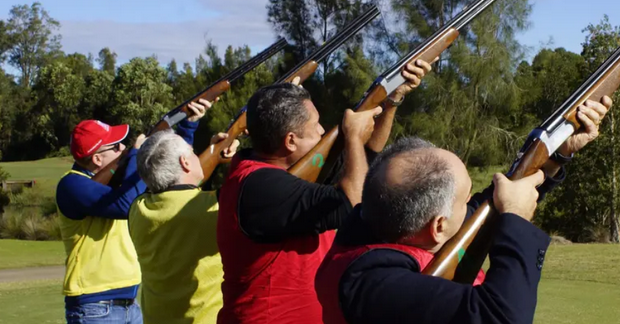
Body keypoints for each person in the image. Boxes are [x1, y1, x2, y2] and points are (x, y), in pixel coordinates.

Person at [315, 97, 613, 324]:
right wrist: (516, 218)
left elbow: (486, 207)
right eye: (465, 198)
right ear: (438, 227)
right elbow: (501, 317)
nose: (474, 201)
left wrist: (555, 155)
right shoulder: (371, 285)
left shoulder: (375, 223)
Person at [216, 59, 435, 324]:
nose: (323, 131)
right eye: (316, 126)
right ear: (290, 141)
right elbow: (355, 202)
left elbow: (366, 158)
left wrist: (391, 102)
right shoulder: (259, 186)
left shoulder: (274, 172)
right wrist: (352, 137)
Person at [56, 100, 212, 324]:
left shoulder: (116, 184)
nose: (123, 148)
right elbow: (125, 205)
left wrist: (188, 126)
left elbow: (173, 174)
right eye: (116, 146)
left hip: (130, 302)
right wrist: (138, 153)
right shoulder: (71, 185)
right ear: (97, 159)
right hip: (94, 306)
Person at [128, 129, 239, 324]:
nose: (197, 155)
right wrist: (238, 159)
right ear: (185, 162)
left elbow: (177, 189)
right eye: (193, 151)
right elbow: (255, 188)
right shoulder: (214, 205)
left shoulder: (138, 209)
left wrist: (214, 151)